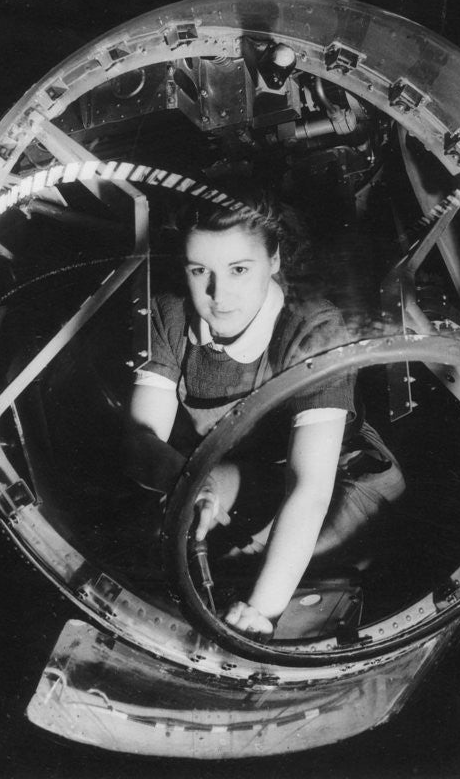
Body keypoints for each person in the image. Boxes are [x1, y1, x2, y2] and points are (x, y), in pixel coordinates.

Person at [121, 196, 404, 636]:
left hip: (338, 480)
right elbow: (142, 439)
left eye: (239, 269)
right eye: (200, 271)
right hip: (240, 468)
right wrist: (193, 490)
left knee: (266, 566)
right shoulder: (169, 312)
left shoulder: (313, 326)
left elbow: (309, 488)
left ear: (273, 260)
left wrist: (262, 611)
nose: (218, 295)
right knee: (161, 541)